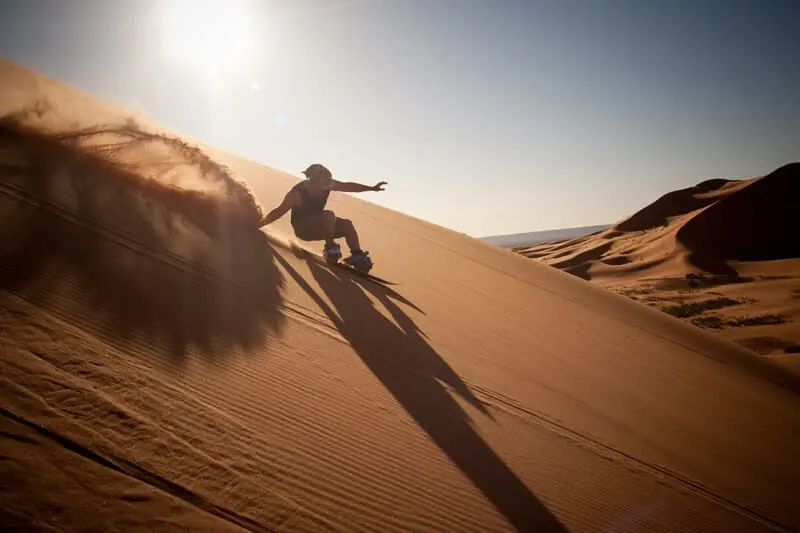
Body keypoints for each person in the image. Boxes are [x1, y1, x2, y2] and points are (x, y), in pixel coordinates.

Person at [259, 163, 387, 272]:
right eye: (325, 180)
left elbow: (348, 186)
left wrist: (371, 188)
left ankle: (357, 255)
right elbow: (279, 211)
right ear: (314, 180)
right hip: (303, 229)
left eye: (329, 180)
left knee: (347, 224)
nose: (329, 184)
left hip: (321, 226)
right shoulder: (297, 194)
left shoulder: (327, 185)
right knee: (328, 215)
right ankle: (330, 249)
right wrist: (259, 225)